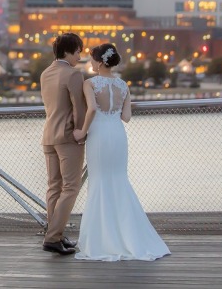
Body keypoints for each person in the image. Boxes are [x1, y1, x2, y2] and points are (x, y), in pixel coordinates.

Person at [73, 43, 170, 261]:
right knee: (118, 180)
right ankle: (129, 236)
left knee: (99, 182)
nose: (89, 63)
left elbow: (91, 109)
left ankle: (102, 238)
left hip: (98, 135)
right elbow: (126, 117)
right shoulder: (123, 85)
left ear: (99, 62)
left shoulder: (90, 84)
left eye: (91, 59)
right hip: (117, 135)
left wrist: (81, 132)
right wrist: (122, 104)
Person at [39, 33, 87, 256]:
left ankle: (56, 234)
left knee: (54, 188)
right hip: (68, 137)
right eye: (78, 51)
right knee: (70, 188)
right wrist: (81, 132)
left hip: (48, 135)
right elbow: (79, 108)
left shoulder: (45, 73)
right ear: (69, 51)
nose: (80, 55)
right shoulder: (73, 74)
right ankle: (52, 237)